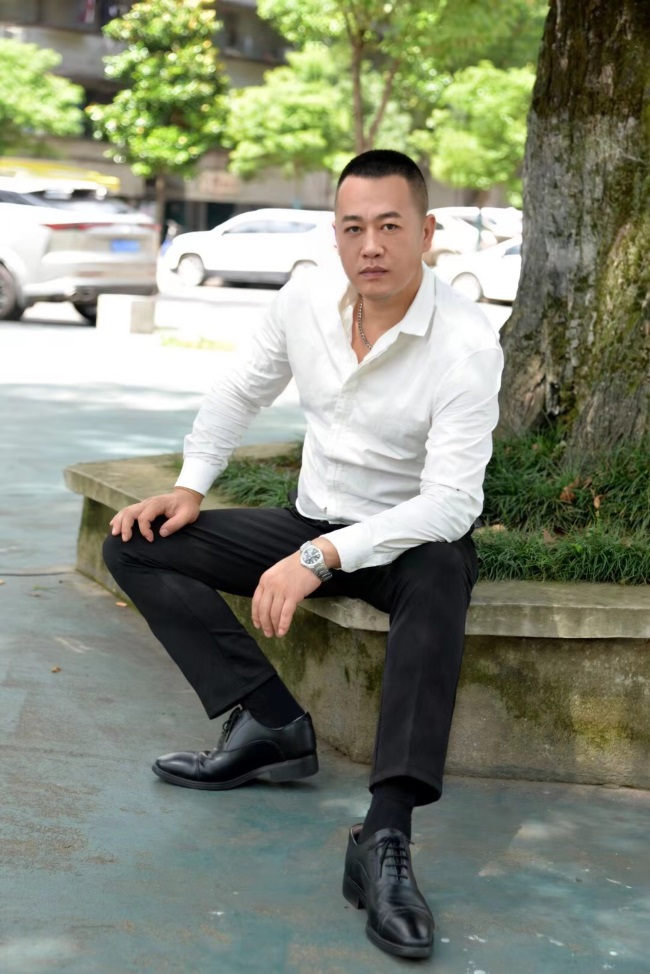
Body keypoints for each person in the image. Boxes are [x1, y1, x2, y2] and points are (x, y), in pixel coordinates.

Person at [103, 149, 503, 961]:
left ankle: (385, 837)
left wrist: (320, 557)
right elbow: (240, 389)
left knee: (442, 576)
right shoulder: (305, 301)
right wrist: (190, 486)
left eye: (390, 226)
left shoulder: (466, 341)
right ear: (335, 234)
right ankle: (271, 725)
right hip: (310, 519)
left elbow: (452, 503)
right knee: (136, 545)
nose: (371, 246)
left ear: (428, 232)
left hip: (407, 541)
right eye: (353, 228)